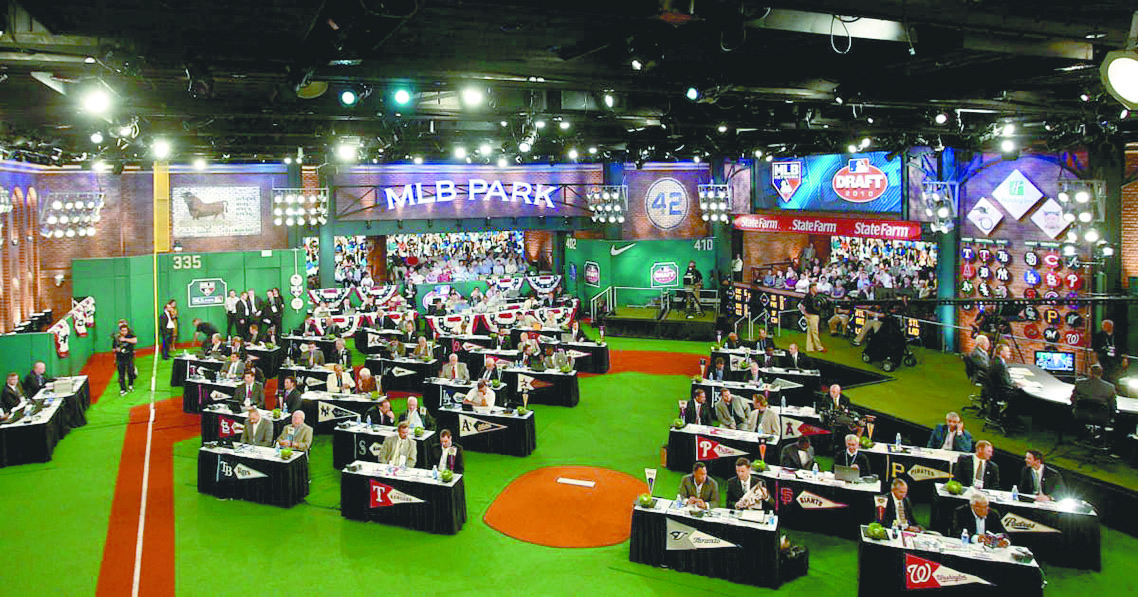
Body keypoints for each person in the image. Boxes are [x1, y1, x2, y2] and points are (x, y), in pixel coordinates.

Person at [1093, 319, 1127, 383]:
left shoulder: (1119, 335)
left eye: (1105, 325)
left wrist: (1125, 359)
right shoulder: (1099, 336)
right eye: (1102, 325)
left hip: (1116, 360)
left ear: (1111, 326)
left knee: (1115, 377)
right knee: (1104, 377)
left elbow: (1124, 348)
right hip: (1103, 359)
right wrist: (1096, 361)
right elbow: (1095, 350)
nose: (1103, 327)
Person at [986, 343, 1016, 413]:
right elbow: (1006, 383)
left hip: (994, 389)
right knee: (1021, 394)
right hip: (999, 392)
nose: (1010, 353)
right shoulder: (999, 365)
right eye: (1007, 351)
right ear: (1001, 352)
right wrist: (1016, 384)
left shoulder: (996, 360)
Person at [799, 284, 826, 353]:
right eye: (815, 287)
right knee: (814, 332)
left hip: (815, 315)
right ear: (811, 288)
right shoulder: (808, 296)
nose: (816, 289)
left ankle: (809, 348)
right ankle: (819, 347)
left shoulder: (817, 296)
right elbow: (801, 306)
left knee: (810, 332)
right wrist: (806, 314)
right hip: (811, 316)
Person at [113, 323, 137, 395]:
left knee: (130, 372)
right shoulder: (116, 338)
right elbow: (113, 349)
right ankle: (123, 389)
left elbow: (135, 340)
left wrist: (125, 339)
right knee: (121, 374)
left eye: (125, 330)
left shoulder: (130, 336)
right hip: (120, 358)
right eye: (122, 331)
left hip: (129, 357)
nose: (124, 332)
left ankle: (130, 385)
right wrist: (118, 350)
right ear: (120, 331)